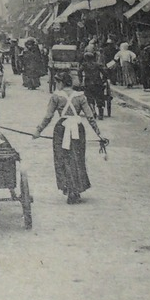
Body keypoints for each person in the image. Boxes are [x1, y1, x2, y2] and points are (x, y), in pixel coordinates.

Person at [33, 71, 107, 204]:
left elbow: (48, 116)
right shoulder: (80, 96)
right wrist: (99, 135)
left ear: (61, 82)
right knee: (77, 158)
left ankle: (69, 189)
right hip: (78, 128)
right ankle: (76, 189)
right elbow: (90, 117)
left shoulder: (56, 97)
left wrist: (38, 131)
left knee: (63, 158)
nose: (56, 85)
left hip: (61, 129)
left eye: (57, 82)